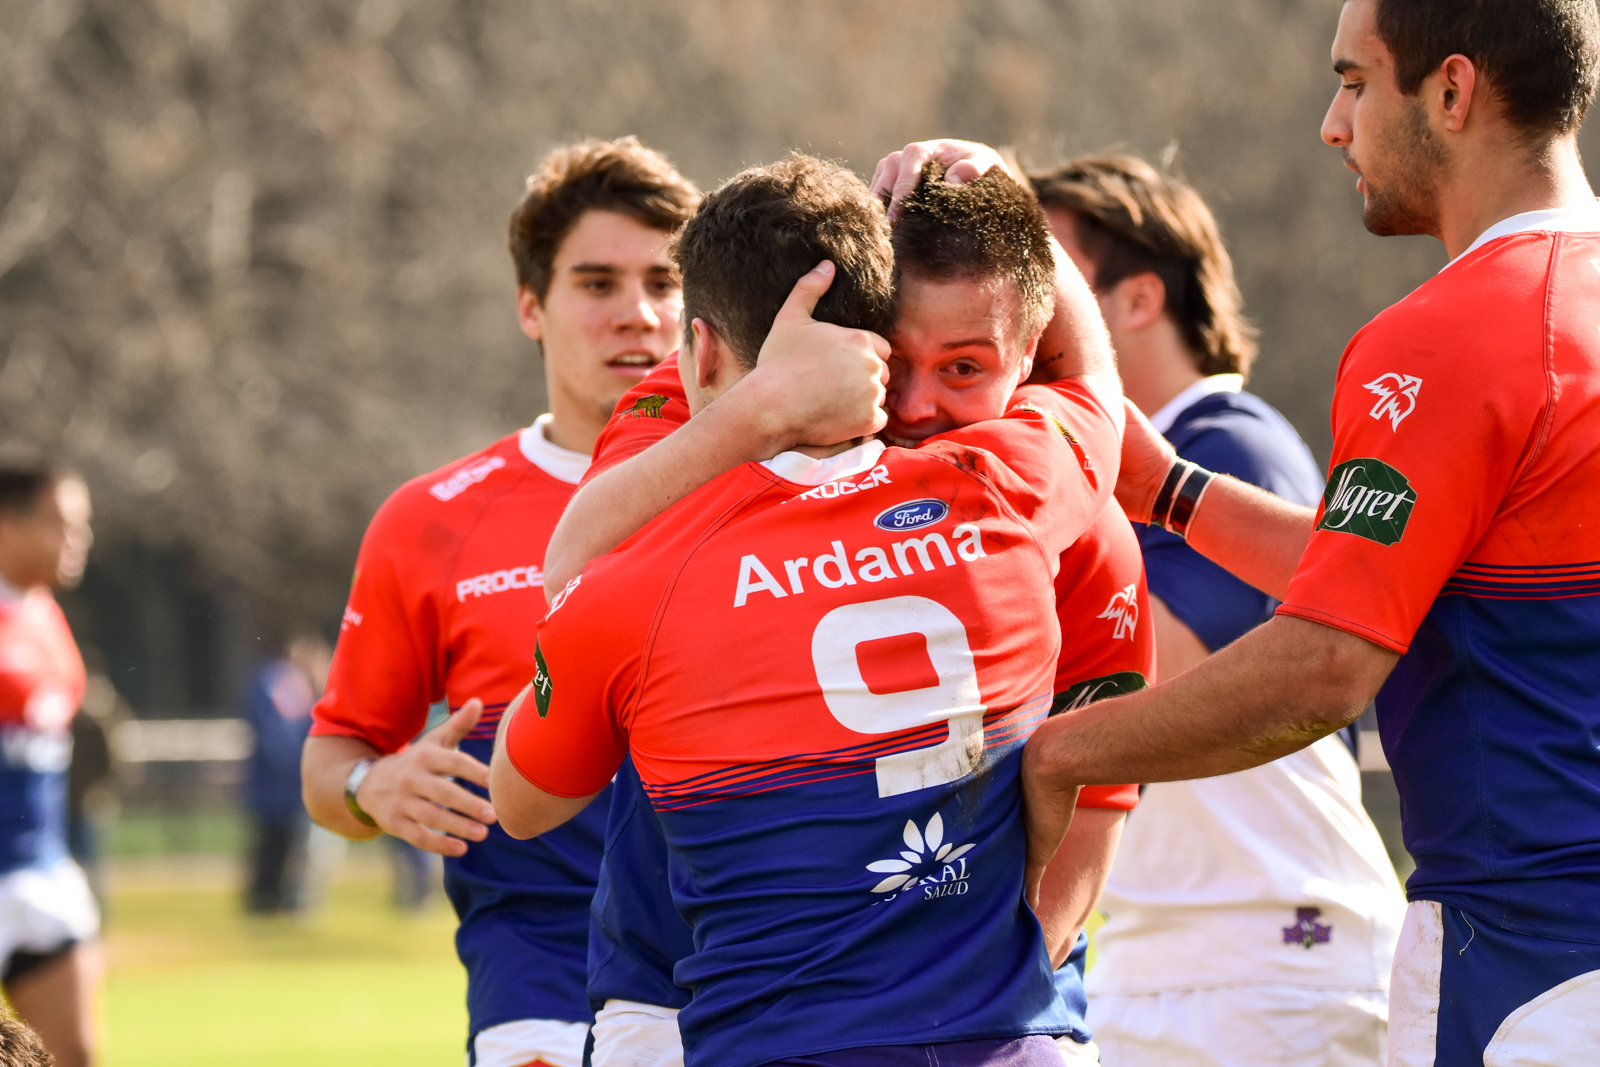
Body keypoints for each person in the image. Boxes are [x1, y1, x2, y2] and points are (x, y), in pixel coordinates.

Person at [988, 2, 1600, 1063]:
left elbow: (1323, 666)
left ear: (1451, 92)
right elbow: (1397, 585)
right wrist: (1164, 487)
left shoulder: (1452, 331)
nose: (1330, 123)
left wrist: (1054, 757)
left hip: (1534, 947)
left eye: (1356, 82)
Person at [490, 153, 1125, 1066]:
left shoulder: (641, 566)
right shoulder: (1012, 489)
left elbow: (566, 593)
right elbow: (1094, 385)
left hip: (768, 1025)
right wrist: (1011, 201)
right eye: (900, 362)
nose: (917, 401)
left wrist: (756, 408)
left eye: (964, 366)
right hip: (978, 1029)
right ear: (865, 341)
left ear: (699, 350)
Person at [300, 137, 700, 1067]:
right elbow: (332, 757)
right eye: (596, 284)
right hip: (542, 985)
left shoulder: (768, 484)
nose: (636, 314)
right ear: (532, 305)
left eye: (662, 281)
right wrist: (373, 786)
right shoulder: (430, 521)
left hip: (750, 974)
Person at [1030, 155, 1405, 1066]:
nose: (1016, 314)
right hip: (1174, 971)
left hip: (1278, 959)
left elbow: (1139, 672)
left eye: (1047, 285)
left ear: (1138, 301)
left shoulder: (1233, 444)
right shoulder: (1091, 481)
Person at [0, 462, 99, 1067]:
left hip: (39, 873)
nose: (77, 540)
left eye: (82, 525)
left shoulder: (47, 617)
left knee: (72, 1056)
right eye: (61, 524)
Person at [242, 630, 328, 915]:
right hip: (280, 784)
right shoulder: (276, 681)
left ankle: (280, 902)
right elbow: (273, 736)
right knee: (273, 847)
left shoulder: (293, 683)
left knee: (283, 846)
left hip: (288, 785)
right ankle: (270, 902)